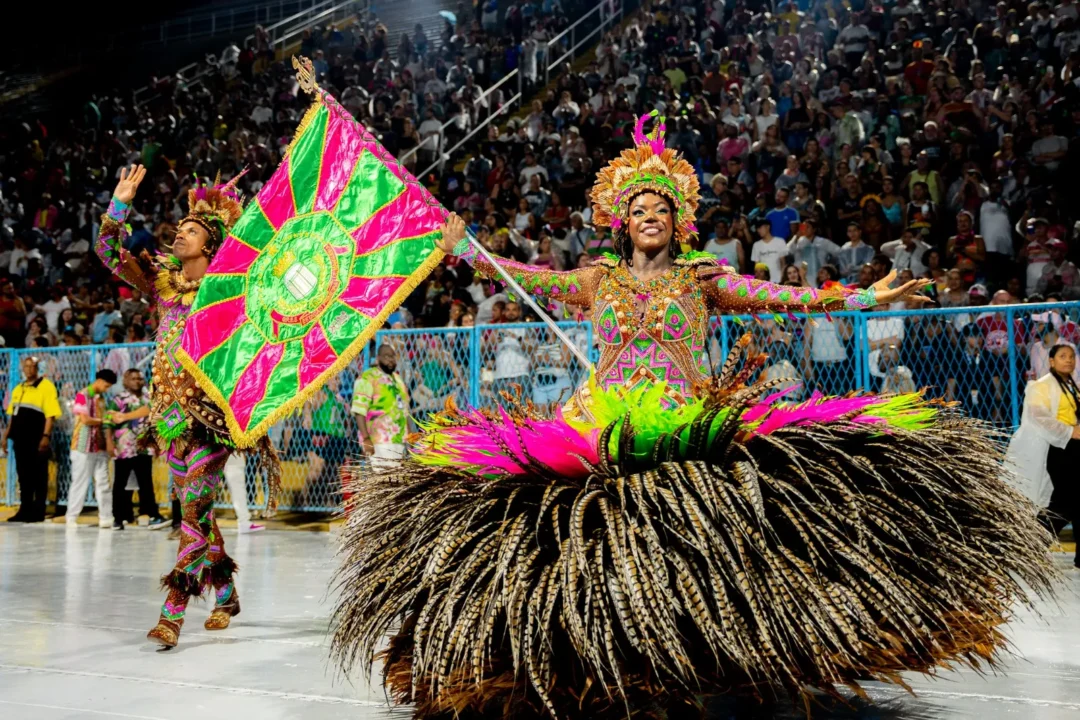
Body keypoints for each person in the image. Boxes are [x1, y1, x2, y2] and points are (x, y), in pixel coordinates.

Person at [331, 113, 1054, 719]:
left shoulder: (703, 278)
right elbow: (524, 277)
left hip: (690, 425)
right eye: (639, 210)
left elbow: (786, 301)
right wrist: (465, 247)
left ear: (680, 221)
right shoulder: (596, 279)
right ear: (622, 221)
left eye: (662, 209)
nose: (651, 218)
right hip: (602, 424)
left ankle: (712, 651)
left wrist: (869, 299)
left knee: (704, 539)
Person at [95, 165, 279, 648]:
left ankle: (172, 613)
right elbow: (108, 253)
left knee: (192, 514)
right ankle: (227, 596)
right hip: (170, 423)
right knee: (199, 514)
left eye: (191, 230)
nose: (180, 234)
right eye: (179, 229)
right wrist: (119, 205)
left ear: (212, 245)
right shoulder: (163, 285)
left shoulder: (230, 292)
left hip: (213, 422)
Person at [1005, 344, 1080, 569]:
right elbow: (1038, 417)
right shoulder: (1041, 386)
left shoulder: (1071, 385)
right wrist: (1070, 431)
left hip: (1072, 448)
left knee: (1072, 501)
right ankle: (1028, 545)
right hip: (1057, 449)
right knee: (1064, 503)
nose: (1068, 360)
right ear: (1051, 361)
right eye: (1062, 356)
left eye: (1071, 357)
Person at [105, 368, 169, 530]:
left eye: (140, 378)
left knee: (146, 482)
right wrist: (109, 442)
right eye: (133, 378)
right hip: (124, 447)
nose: (137, 381)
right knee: (120, 482)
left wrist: (156, 442)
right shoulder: (119, 399)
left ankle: (152, 514)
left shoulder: (150, 398)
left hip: (144, 446)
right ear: (126, 381)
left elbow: (155, 420)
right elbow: (108, 421)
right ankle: (118, 518)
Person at [0, 355, 61, 523]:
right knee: (24, 476)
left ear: (37, 368)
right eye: (26, 367)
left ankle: (38, 510)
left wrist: (46, 436)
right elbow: (12, 415)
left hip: (37, 439)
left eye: (32, 366)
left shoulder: (46, 386)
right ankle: (24, 509)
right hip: (19, 439)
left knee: (39, 475)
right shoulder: (19, 388)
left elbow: (51, 415)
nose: (28, 370)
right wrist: (5, 436)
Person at [65, 369, 117, 528]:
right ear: (99, 381)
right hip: (83, 445)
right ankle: (71, 517)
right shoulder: (82, 395)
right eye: (106, 385)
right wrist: (104, 420)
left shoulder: (101, 398)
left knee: (103, 482)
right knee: (79, 482)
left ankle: (106, 517)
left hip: (99, 446)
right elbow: (85, 420)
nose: (107, 389)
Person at [351, 344, 410, 468]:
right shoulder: (367, 378)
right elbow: (359, 411)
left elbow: (404, 410)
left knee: (395, 483)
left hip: (399, 440)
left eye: (393, 356)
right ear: (378, 358)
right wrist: (366, 439)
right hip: (378, 441)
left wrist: (410, 436)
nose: (390, 359)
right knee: (382, 481)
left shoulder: (398, 379)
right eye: (386, 356)